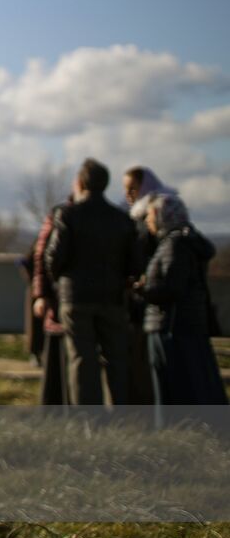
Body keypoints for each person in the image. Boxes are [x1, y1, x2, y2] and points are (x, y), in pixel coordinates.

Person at [45, 158, 138, 406]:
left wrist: (60, 282)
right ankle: (119, 414)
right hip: (112, 297)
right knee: (116, 357)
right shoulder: (121, 219)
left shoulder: (69, 214)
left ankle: (88, 418)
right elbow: (135, 263)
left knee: (81, 359)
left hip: (75, 297)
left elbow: (53, 257)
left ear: (81, 182)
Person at [140, 194, 226, 406]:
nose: (147, 221)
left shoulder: (173, 244)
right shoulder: (183, 242)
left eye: (150, 215)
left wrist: (143, 288)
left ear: (162, 216)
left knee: (177, 385)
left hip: (171, 325)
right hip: (183, 323)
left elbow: (172, 287)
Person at [123, 166, 177, 403]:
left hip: (149, 299)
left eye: (132, 188)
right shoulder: (139, 216)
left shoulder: (153, 216)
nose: (128, 194)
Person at [29, 197, 70, 405]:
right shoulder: (58, 217)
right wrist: (42, 294)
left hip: (68, 300)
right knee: (55, 353)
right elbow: (42, 257)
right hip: (57, 300)